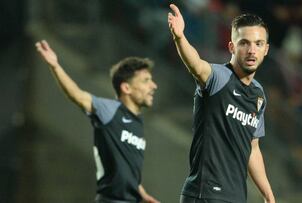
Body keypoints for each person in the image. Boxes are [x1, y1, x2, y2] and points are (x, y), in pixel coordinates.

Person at [168, 4, 275, 203]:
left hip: (235, 197)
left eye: (258, 44)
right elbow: (197, 65)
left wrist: (268, 195)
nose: (252, 50)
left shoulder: (258, 94)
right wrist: (180, 37)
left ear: (266, 50)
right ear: (232, 47)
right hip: (205, 194)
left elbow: (253, 148)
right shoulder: (219, 77)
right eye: (244, 43)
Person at [35, 40, 160, 203]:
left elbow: (127, 169)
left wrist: (142, 193)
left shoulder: (137, 122)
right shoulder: (110, 110)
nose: (154, 85)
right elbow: (77, 96)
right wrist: (55, 66)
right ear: (126, 88)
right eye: (146, 80)